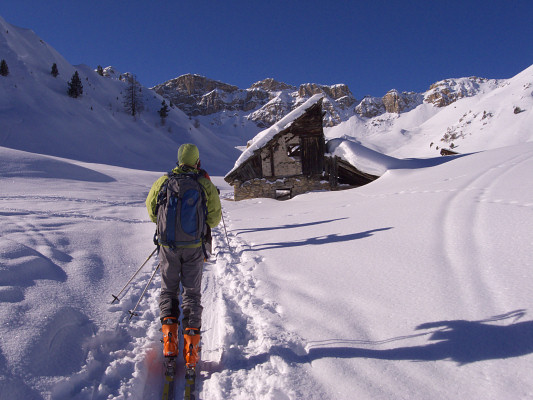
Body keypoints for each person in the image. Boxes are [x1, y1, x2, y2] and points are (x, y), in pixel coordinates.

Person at [145, 143, 221, 367]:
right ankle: (191, 346)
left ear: (179, 160)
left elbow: (152, 211)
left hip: (168, 246)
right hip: (194, 247)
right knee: (192, 294)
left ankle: (169, 341)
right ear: (197, 161)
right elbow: (214, 219)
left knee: (169, 290)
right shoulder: (204, 184)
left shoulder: (163, 182)